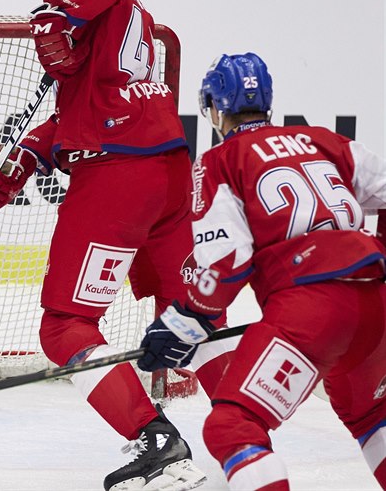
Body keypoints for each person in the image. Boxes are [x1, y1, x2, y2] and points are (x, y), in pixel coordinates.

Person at [0, 0, 227, 489]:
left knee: (64, 326)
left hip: (118, 180)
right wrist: (26, 156)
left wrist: (64, 4)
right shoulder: (120, 9)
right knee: (187, 312)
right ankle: (247, 429)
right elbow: (88, 105)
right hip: (164, 169)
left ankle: (154, 439)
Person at [136, 53, 386, 489]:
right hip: (376, 298)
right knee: (372, 416)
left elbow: (228, 260)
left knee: (232, 427)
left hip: (311, 309)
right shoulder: (325, 141)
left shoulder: (220, 162)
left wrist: (182, 323)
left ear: (215, 107)